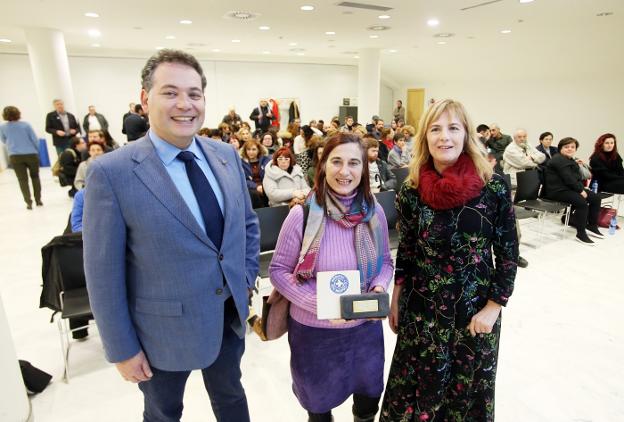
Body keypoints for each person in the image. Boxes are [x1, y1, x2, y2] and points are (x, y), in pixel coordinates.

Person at [83, 49, 260, 422]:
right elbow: (103, 274)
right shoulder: (112, 173)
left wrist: (244, 280)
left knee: (231, 398)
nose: (185, 104)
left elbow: (247, 224)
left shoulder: (225, 155)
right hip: (159, 333)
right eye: (170, 92)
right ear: (145, 99)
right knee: (163, 412)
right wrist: (121, 348)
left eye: (194, 94)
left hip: (227, 317)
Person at [381, 99, 518, 421]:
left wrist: (493, 307)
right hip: (423, 311)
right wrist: (396, 298)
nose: (445, 137)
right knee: (418, 393)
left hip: (474, 313)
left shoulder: (493, 186)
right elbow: (410, 249)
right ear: (425, 138)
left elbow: (509, 254)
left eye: (453, 128)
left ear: (466, 135)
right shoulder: (411, 190)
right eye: (436, 128)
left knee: (465, 395)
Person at [269, 132, 394, 422]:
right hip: (315, 334)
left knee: (367, 400)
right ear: (323, 165)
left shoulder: (373, 213)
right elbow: (277, 271)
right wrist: (319, 304)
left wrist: (378, 285)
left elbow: (386, 262)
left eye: (353, 162)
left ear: (364, 169)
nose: (344, 171)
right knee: (319, 405)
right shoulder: (301, 215)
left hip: (364, 329)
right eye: (336, 161)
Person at [543, 137, 603, 245]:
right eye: (566, 147)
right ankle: (581, 233)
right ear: (560, 148)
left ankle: (592, 225)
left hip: (568, 188)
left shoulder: (570, 160)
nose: (570, 149)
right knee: (582, 203)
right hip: (556, 191)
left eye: (573, 147)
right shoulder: (558, 160)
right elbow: (568, 178)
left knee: (595, 198)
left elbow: (576, 178)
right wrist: (581, 190)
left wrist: (582, 189)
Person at [0, 106, 42, 209]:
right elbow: (35, 140)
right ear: (18, 113)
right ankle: (38, 200)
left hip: (15, 156)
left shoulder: (3, 127)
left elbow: (3, 140)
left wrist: (12, 145)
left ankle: (28, 202)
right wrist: (37, 151)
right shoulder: (26, 125)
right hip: (31, 154)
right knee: (35, 177)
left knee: (22, 180)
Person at [240, 139, 271, 209]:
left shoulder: (266, 160)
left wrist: (263, 186)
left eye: (254, 149)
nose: (251, 152)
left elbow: (270, 175)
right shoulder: (242, 163)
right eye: (248, 149)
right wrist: (256, 187)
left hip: (266, 185)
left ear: (258, 150)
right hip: (251, 188)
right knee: (254, 194)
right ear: (245, 151)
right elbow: (244, 180)